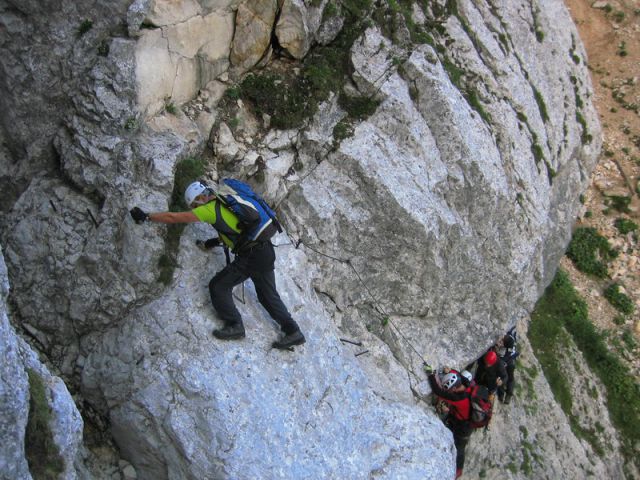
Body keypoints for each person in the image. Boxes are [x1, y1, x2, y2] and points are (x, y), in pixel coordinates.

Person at [129, 180, 305, 350]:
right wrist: (208, 244)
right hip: (265, 250)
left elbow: (174, 217)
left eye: (195, 205)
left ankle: (234, 324)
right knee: (268, 296)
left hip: (251, 257)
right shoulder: (225, 202)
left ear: (200, 198)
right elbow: (231, 230)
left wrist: (147, 216)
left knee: (218, 285)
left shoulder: (209, 209)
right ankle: (294, 331)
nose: (196, 209)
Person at [428, 371, 472, 479]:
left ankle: (458, 471)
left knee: (459, 448)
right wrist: (450, 371)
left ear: (454, 388)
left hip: (464, 427)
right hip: (462, 419)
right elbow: (457, 374)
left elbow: (437, 391)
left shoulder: (458, 398)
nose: (450, 392)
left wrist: (431, 374)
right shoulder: (466, 385)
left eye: (450, 390)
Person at [496, 330, 518, 404]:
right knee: (508, 378)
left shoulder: (510, 342)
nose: (501, 341)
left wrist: (502, 360)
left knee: (506, 377)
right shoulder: (510, 339)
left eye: (502, 340)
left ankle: (505, 395)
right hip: (509, 361)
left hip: (509, 361)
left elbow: (508, 354)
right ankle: (504, 396)